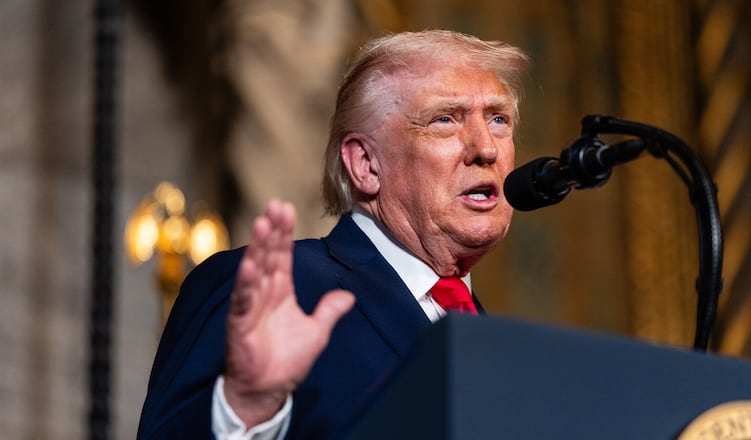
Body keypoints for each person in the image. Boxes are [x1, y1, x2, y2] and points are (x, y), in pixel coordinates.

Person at [137, 29, 530, 439]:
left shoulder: (489, 339)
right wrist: (244, 410)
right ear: (366, 165)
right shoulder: (269, 289)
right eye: (445, 119)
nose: (487, 148)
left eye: (498, 119)